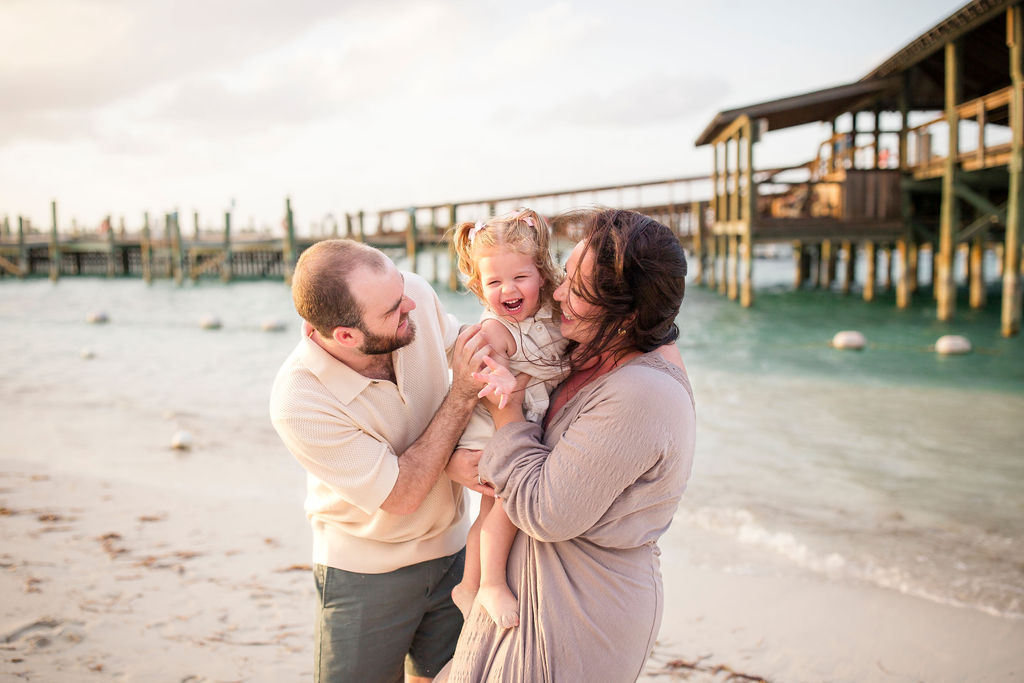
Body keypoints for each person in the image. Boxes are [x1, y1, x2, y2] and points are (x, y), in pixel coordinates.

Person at [441, 208, 696, 682]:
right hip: (520, 597)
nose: (556, 293)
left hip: (574, 613)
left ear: (626, 313)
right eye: (563, 276)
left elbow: (545, 512)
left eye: (575, 290)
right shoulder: (590, 350)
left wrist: (506, 409)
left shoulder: (642, 392)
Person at [269, 238, 495, 683]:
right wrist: (462, 394)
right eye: (394, 310)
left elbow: (476, 357)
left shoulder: (409, 296)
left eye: (402, 290)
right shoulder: (300, 402)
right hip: (364, 572)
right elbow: (402, 493)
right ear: (346, 337)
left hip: (454, 554)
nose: (411, 302)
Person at [447, 208, 568, 630]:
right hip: (489, 427)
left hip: (511, 423)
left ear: (542, 274)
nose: (508, 289)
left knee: (487, 512)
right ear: (480, 287)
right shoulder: (498, 327)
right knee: (503, 506)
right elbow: (484, 353)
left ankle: (468, 583)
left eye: (520, 277)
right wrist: (497, 371)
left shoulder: (548, 315)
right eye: (494, 282)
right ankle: (490, 583)